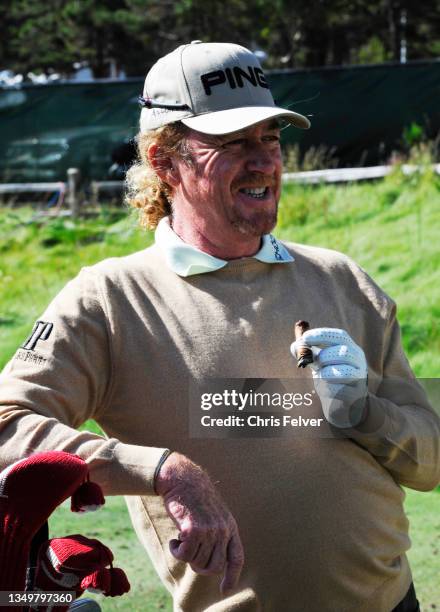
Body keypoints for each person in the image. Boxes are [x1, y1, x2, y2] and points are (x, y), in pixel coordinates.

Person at [0, 41, 438, 612]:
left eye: (271, 139)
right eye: (232, 143)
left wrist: (363, 413)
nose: (263, 161)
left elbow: (429, 463)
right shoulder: (110, 298)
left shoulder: (342, 279)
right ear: (164, 161)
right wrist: (165, 471)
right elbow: (7, 428)